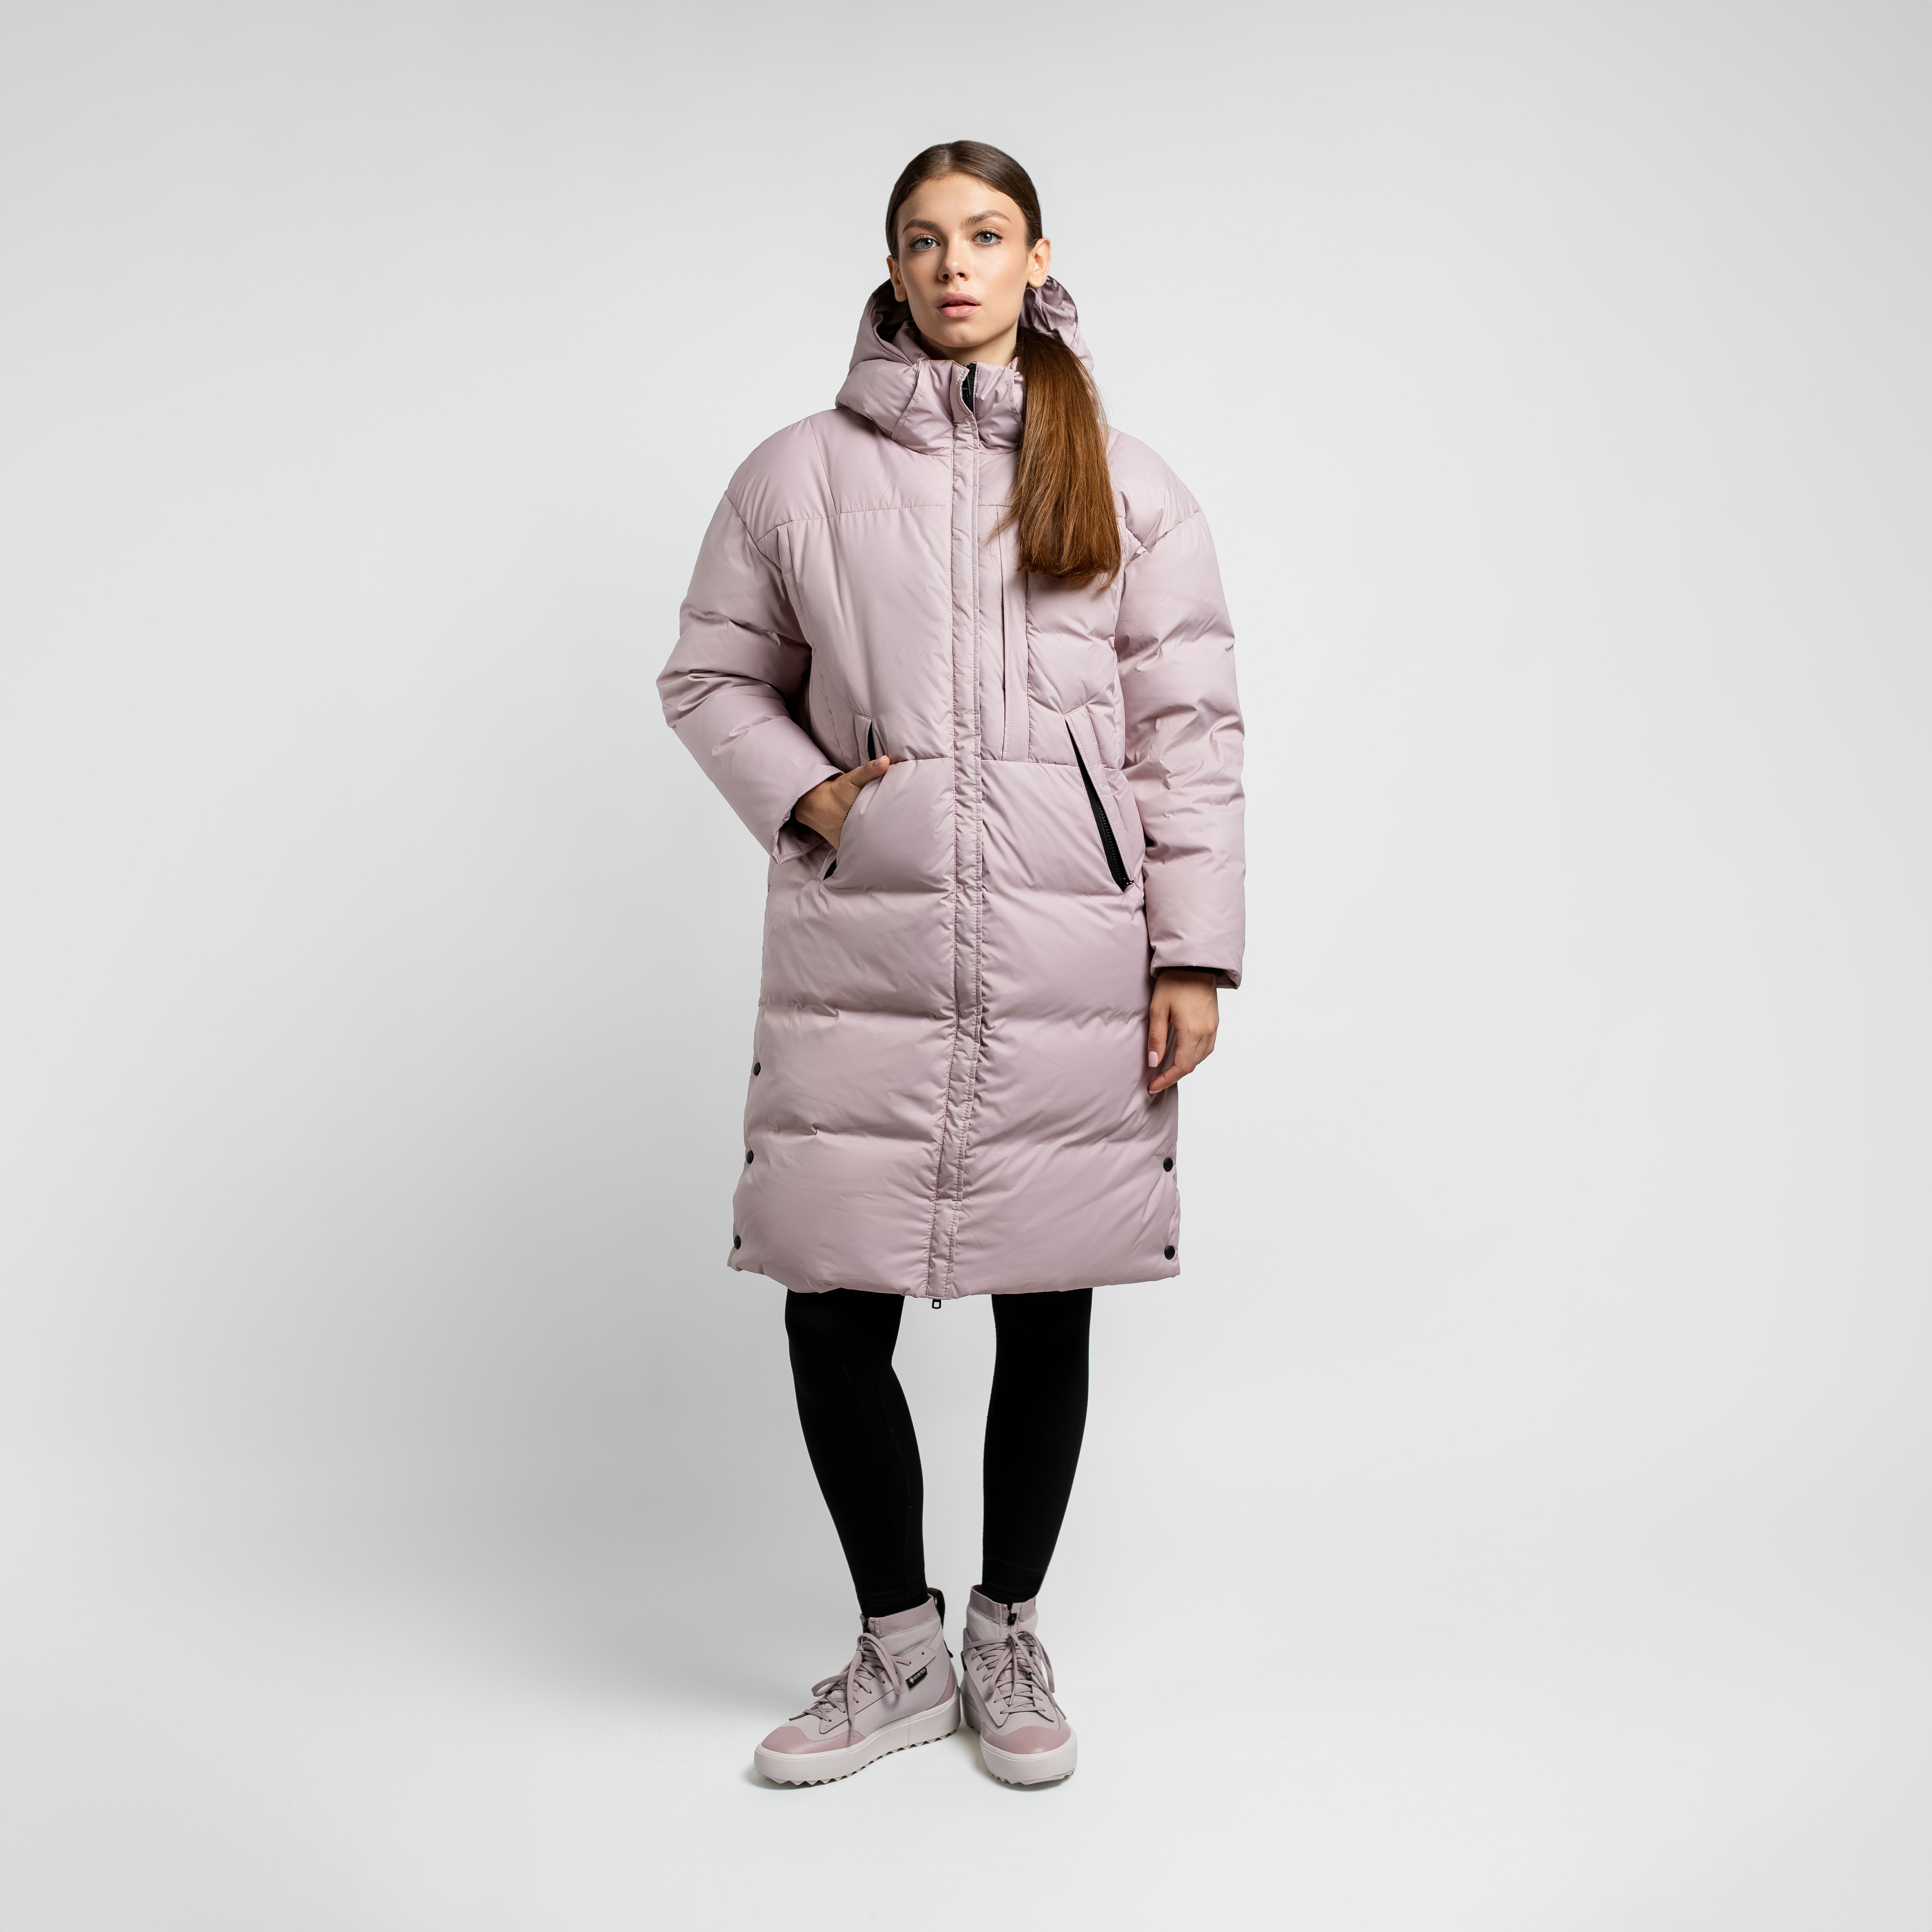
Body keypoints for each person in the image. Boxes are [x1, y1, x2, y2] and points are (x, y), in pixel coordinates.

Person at [658, 140, 1244, 1786]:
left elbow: (1188, 733)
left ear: (1035, 256)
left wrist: (1193, 955)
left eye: (985, 235)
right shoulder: (794, 477)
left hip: (1074, 946)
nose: (954, 265)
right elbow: (709, 675)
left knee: (1047, 1297)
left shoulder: (1124, 482)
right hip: (868, 937)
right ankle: (897, 1648)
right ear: (892, 268)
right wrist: (813, 794)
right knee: (833, 1302)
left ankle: (1007, 1631)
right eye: (923, 240)